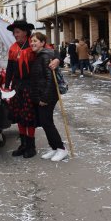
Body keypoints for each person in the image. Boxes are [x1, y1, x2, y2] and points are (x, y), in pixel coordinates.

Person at [5, 20, 60, 158]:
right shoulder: (12, 48)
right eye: (14, 32)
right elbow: (10, 68)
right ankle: (23, 144)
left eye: (17, 32)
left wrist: (57, 60)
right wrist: (7, 86)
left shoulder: (33, 44)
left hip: (31, 86)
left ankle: (31, 146)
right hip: (17, 86)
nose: (15, 34)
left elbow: (53, 53)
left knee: (29, 117)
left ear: (25, 32)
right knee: (19, 117)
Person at [29, 32, 68, 162]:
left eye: (35, 41)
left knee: (47, 123)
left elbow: (50, 80)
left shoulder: (45, 56)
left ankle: (61, 149)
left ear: (42, 43)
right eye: (31, 41)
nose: (33, 43)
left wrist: (44, 99)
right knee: (46, 123)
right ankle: (54, 147)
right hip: (42, 95)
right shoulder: (39, 56)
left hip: (47, 96)